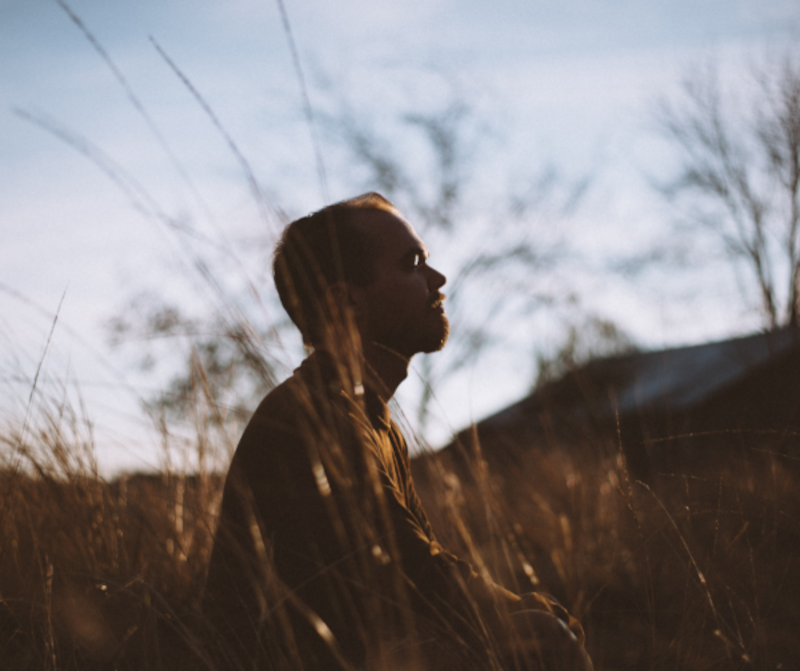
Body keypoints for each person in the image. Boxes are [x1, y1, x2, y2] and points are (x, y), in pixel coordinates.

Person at [202, 193, 592, 670]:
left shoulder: (372, 418)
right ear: (347, 301)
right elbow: (409, 573)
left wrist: (520, 609)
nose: (438, 279)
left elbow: (418, 564)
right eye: (413, 263)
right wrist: (517, 616)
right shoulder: (315, 419)